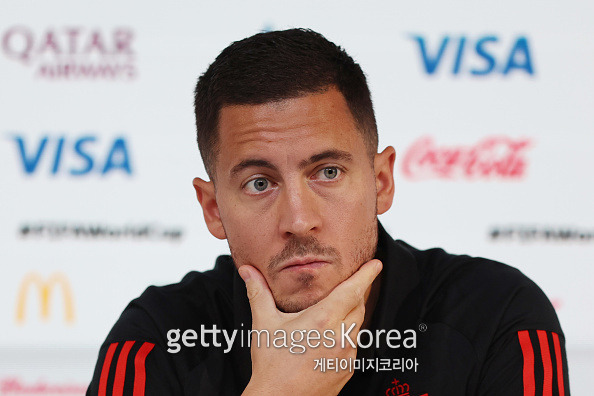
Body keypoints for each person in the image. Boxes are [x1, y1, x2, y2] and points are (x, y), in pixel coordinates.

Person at [87, 28, 569, 395]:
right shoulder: (156, 339)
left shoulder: (498, 315)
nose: (299, 220)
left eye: (328, 172)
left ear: (381, 181)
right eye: (260, 183)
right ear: (213, 209)